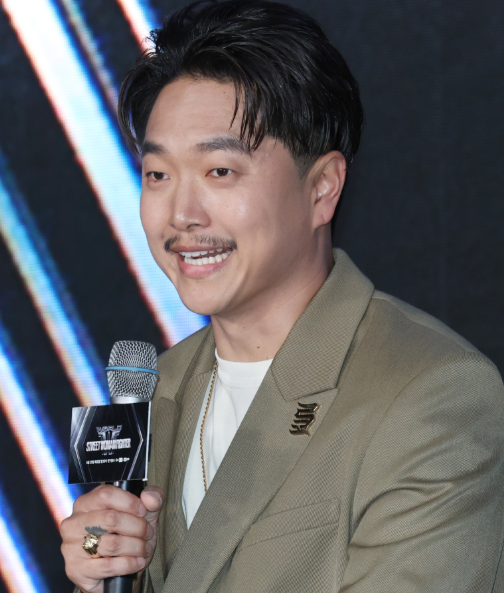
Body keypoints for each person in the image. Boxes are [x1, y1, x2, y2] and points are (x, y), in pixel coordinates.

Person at [60, 1, 504, 591]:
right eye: (157, 175)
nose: (182, 215)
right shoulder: (154, 387)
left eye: (220, 171)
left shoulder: (434, 394)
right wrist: (97, 570)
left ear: (322, 188)